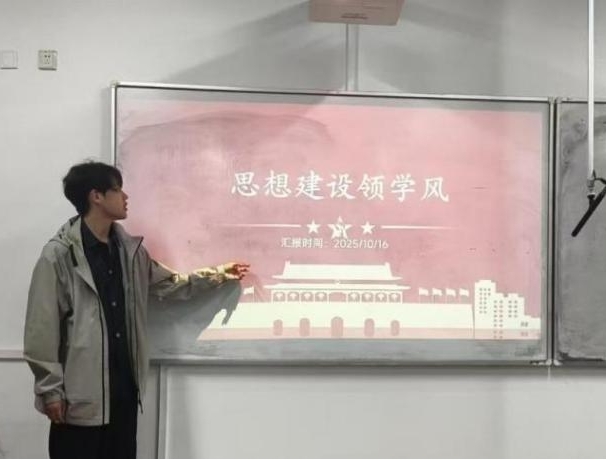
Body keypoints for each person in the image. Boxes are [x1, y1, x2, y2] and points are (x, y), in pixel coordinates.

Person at [23, 161, 249, 458]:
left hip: (124, 395)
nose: (125, 197)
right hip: (80, 402)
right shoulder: (59, 256)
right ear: (96, 196)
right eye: (117, 189)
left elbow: (170, 284)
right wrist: (50, 390)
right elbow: (42, 328)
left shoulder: (130, 252)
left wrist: (217, 275)